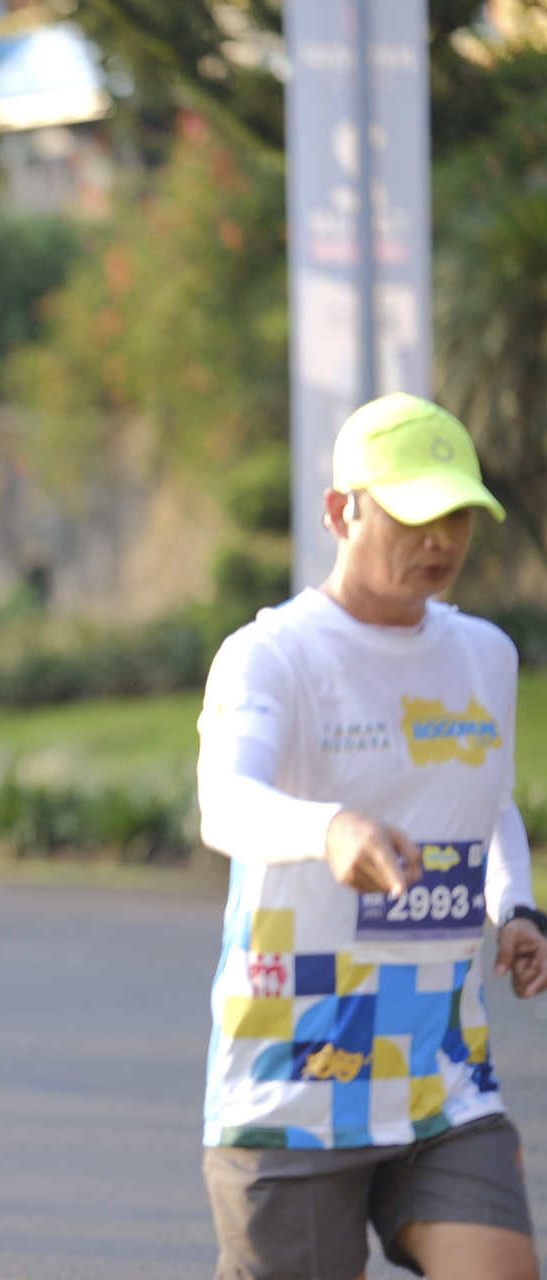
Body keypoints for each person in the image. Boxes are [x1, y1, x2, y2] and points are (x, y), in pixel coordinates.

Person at [194, 393, 547, 1280]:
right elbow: (225, 805)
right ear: (340, 510)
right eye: (414, 514)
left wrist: (516, 908)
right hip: (296, 1070)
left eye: (457, 516)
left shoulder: (486, 655)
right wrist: (328, 829)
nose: (441, 539)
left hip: (442, 1068)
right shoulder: (272, 654)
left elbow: (489, 800)